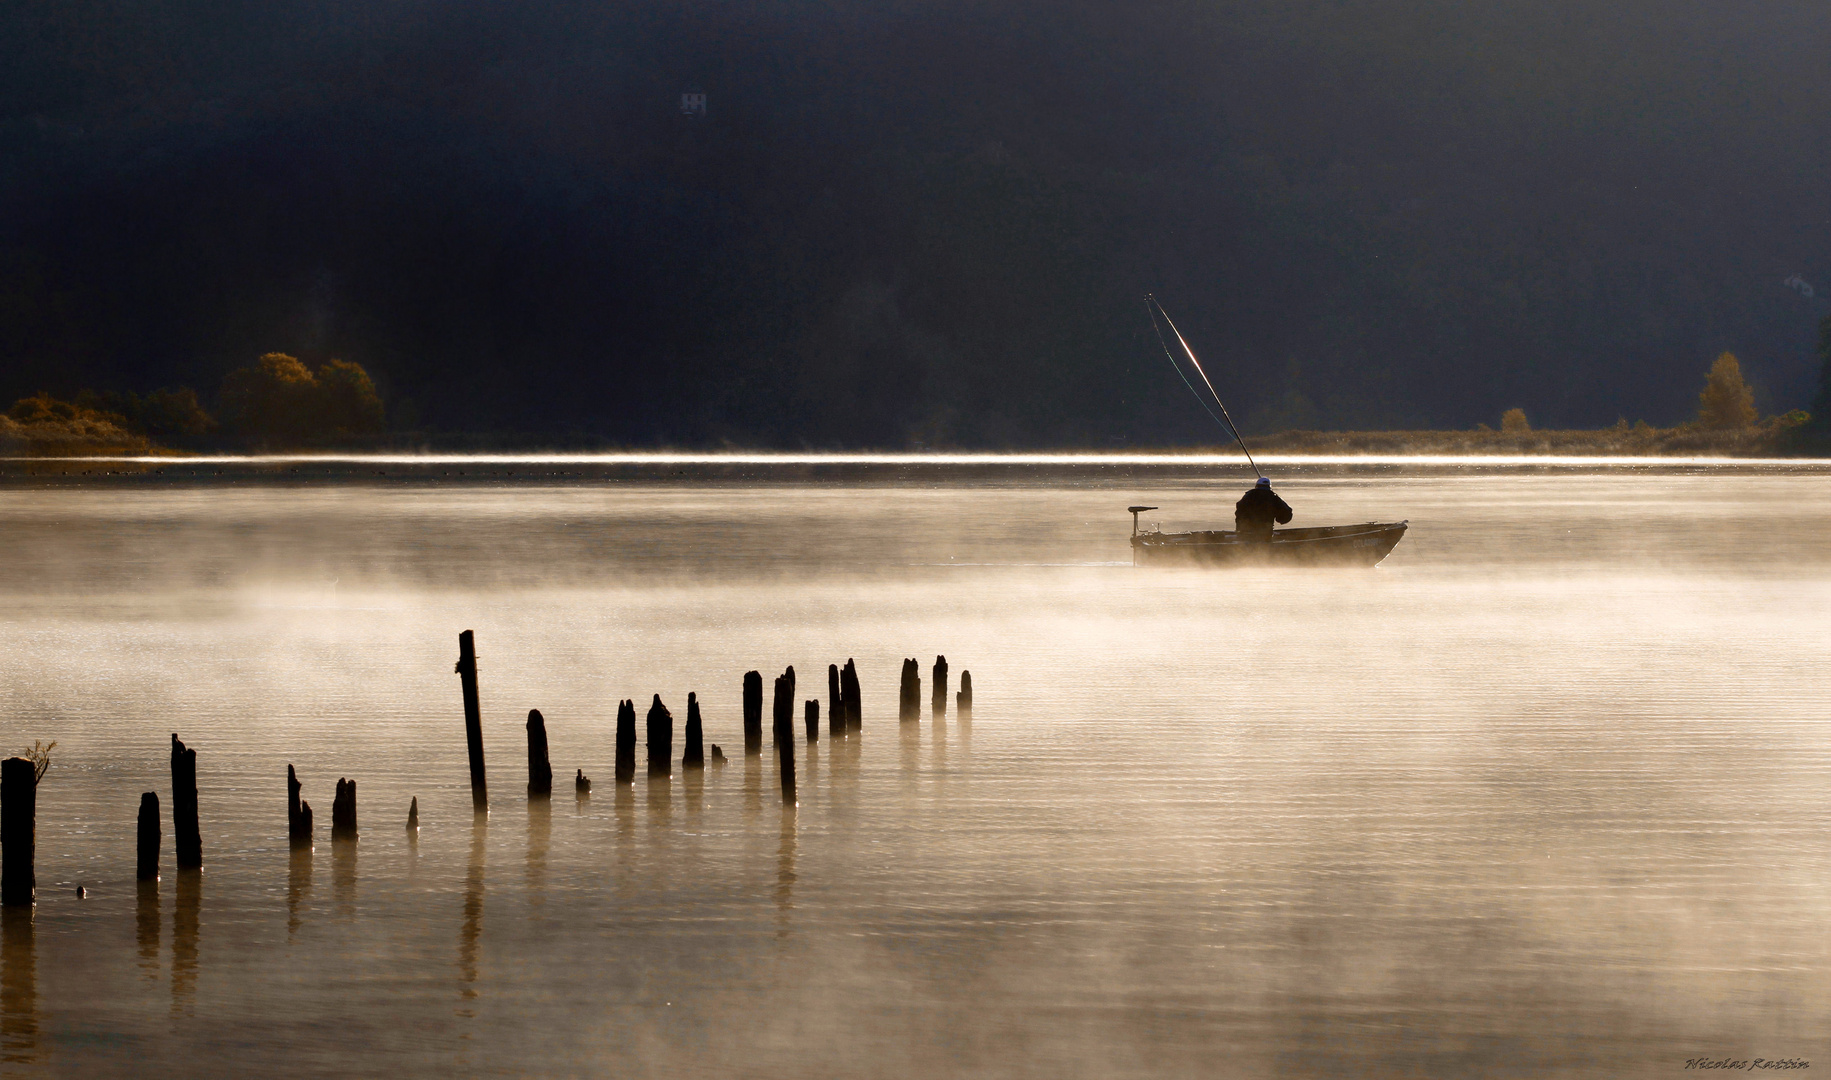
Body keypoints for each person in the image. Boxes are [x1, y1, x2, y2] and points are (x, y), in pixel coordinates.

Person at [1234, 476, 1292, 542]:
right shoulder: (1274, 497)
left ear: (1256, 485)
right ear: (1269, 486)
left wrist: (1240, 525)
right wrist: (1280, 519)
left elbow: (1239, 510)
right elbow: (1287, 512)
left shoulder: (1248, 496)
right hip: (1265, 532)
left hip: (1246, 530)